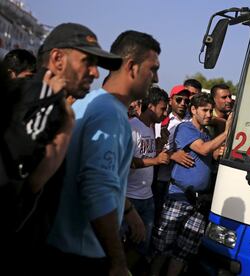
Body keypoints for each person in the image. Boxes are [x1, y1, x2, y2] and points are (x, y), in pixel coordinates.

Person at [4, 22, 122, 275]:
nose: (95, 73)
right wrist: (65, 127)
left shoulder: (42, 97)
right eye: (87, 62)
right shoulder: (41, 97)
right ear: (58, 59)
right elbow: (22, 183)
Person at [45, 30, 160, 276]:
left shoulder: (92, 102)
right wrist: (118, 262)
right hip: (81, 253)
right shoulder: (110, 115)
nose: (157, 78)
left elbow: (102, 174)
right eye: (152, 69)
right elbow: (97, 188)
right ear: (131, 67)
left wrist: (127, 210)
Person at [150, 92, 233, 276]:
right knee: (163, 247)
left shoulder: (207, 133)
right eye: (204, 110)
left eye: (211, 111)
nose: (208, 114)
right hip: (179, 197)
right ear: (193, 110)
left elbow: (206, 152)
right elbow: (203, 149)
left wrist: (216, 153)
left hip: (198, 203)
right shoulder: (184, 128)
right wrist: (227, 132)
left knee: (183, 253)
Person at [124, 87, 169, 273]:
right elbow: (127, 162)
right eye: (162, 108)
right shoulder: (132, 127)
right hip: (129, 198)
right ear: (150, 106)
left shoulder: (151, 128)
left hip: (146, 197)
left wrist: (158, 148)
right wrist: (156, 160)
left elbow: (147, 154)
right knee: (122, 245)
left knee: (142, 246)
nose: (165, 113)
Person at [153, 85, 195, 219]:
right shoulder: (161, 121)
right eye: (179, 100)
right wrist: (172, 155)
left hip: (185, 181)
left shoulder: (194, 121)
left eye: (186, 101)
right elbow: (152, 149)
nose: (183, 103)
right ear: (171, 100)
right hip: (163, 179)